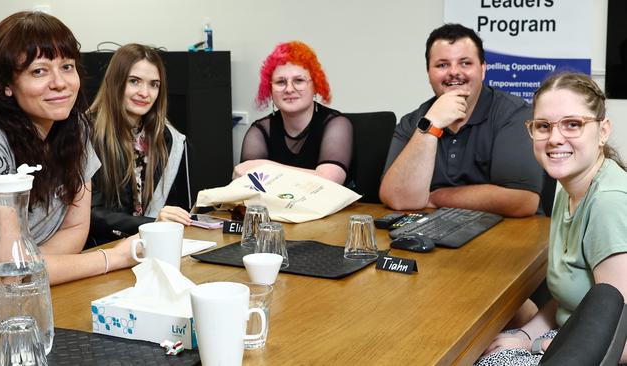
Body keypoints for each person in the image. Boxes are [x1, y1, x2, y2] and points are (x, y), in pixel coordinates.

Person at [476, 72, 627, 365]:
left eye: (573, 124)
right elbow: (571, 299)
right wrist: (525, 335)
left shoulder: (608, 201)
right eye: (544, 126)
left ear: (603, 130)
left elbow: (617, 333)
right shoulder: (567, 186)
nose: (555, 138)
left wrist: (545, 345)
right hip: (565, 338)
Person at [0, 11, 136, 285]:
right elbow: (6, 266)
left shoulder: (78, 129)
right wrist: (114, 258)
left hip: (40, 289)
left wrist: (27, 269)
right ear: (6, 85)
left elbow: (75, 229)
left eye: (67, 66)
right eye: (39, 71)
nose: (60, 83)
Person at [379, 23, 542, 217]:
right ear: (429, 73)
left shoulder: (514, 113)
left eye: (465, 63)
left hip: (506, 236)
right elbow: (396, 198)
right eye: (442, 65)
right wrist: (431, 125)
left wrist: (437, 198)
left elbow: (522, 200)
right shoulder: (414, 121)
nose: (454, 72)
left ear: (483, 69)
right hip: (434, 233)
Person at [88, 44, 194, 246]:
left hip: (154, 246)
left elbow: (181, 208)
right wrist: (151, 224)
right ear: (115, 82)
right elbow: (88, 214)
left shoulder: (170, 138)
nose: (145, 93)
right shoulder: (85, 133)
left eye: (154, 84)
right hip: (101, 250)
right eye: (134, 81)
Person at [235, 41, 353, 185]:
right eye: (280, 82)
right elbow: (249, 183)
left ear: (315, 86)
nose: (289, 89)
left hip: (336, 208)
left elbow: (329, 181)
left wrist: (265, 167)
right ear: (270, 89)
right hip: (277, 207)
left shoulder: (337, 124)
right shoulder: (260, 131)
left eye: (299, 80)